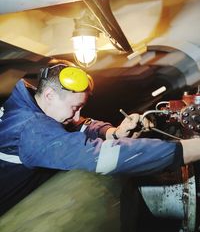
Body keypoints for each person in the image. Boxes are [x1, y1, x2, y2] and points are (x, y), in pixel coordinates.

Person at [0, 59, 199, 216]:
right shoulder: (30, 129)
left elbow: (82, 125)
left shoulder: (34, 105)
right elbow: (107, 158)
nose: (77, 116)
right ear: (50, 94)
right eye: (75, 107)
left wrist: (115, 133)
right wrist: (187, 149)